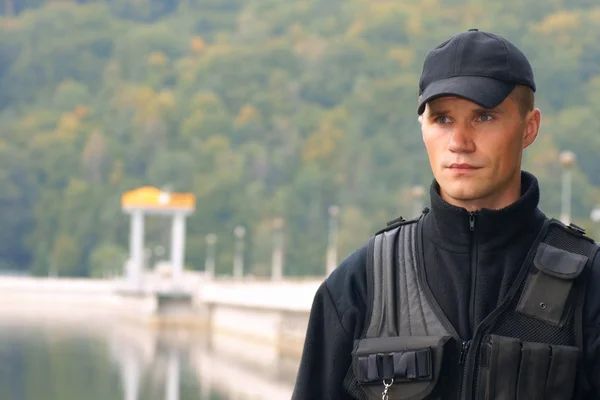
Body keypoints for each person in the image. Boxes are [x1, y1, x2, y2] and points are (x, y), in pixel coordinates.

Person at [291, 29, 600, 400]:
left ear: (529, 127)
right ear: (422, 127)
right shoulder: (360, 285)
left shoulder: (590, 284)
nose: (459, 143)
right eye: (442, 119)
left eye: (484, 117)